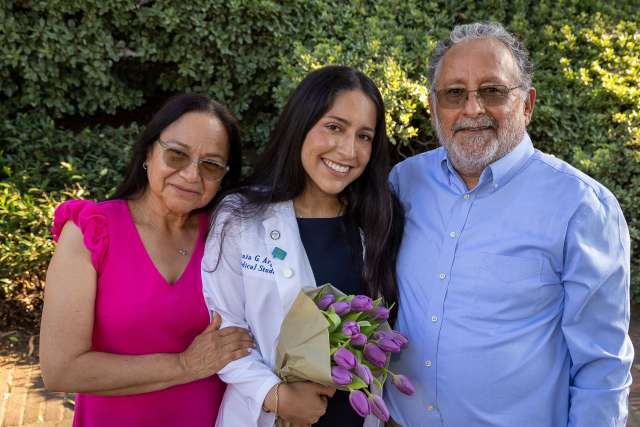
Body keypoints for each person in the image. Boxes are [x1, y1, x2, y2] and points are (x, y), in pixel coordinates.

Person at [385, 21, 633, 427]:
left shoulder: (581, 206)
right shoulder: (403, 183)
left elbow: (602, 366)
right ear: (434, 107)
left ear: (527, 103)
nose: (472, 109)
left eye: (492, 91)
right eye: (454, 94)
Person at [201, 65, 404, 427]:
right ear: (301, 124)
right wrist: (275, 395)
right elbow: (224, 328)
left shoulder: (378, 220)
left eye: (364, 136)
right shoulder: (241, 216)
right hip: (268, 414)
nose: (348, 150)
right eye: (334, 127)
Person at [39, 93, 254, 427]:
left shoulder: (229, 237)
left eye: (210, 164)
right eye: (177, 155)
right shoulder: (91, 232)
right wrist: (185, 365)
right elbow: (61, 369)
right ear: (148, 153)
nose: (191, 175)